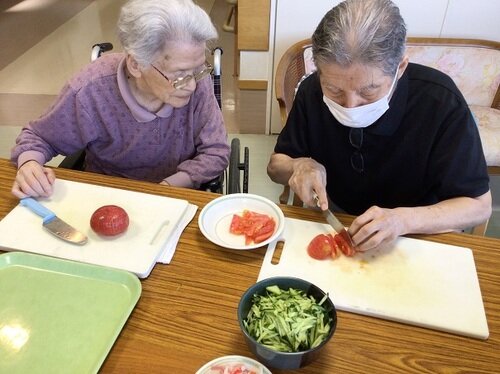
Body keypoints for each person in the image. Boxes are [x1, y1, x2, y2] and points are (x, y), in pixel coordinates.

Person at [267, 0, 492, 252]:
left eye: (369, 90)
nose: (350, 106)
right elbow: (276, 167)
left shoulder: (440, 101)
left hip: (417, 232)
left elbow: (478, 205)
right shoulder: (311, 91)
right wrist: (299, 165)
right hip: (337, 217)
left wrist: (402, 220)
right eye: (334, 89)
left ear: (400, 68)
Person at [11, 0, 230, 198]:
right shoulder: (90, 91)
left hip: (176, 194)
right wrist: (29, 165)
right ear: (136, 65)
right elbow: (40, 138)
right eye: (180, 74)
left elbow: (216, 151)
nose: (192, 85)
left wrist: (166, 188)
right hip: (109, 194)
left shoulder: (198, 81)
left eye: (198, 69)